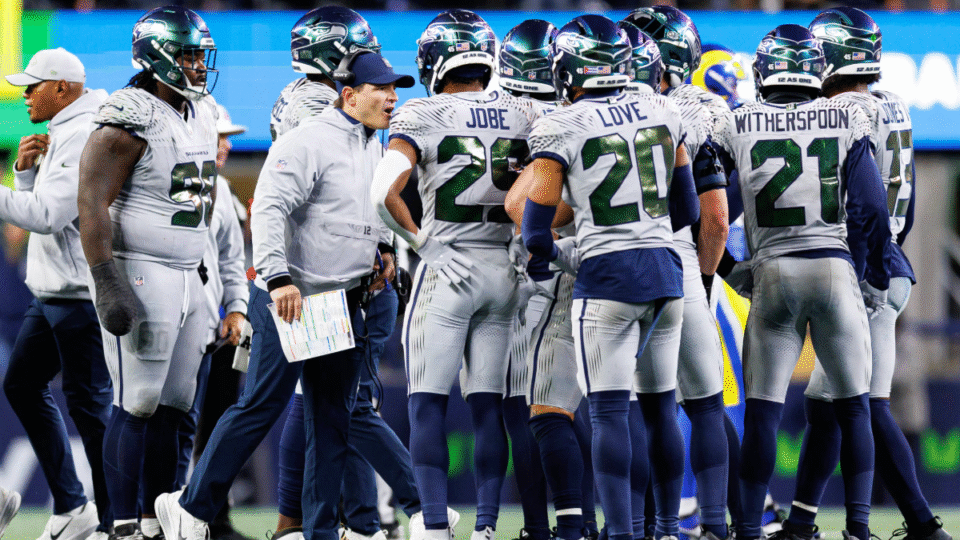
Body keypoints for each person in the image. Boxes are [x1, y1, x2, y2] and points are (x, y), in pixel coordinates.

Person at [155, 51, 414, 540]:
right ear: (350, 95)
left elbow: (359, 209)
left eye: (396, 89)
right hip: (292, 296)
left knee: (332, 416)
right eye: (383, 89)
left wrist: (381, 250)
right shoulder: (308, 139)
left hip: (337, 298)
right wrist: (277, 279)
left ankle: (319, 531)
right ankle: (191, 509)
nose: (393, 98)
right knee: (262, 405)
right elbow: (270, 207)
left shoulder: (373, 143)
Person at [517, 13, 699, 540]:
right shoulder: (665, 107)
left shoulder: (560, 125)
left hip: (607, 281)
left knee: (608, 415)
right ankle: (664, 528)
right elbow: (686, 207)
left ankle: (620, 532)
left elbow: (534, 231)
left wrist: (566, 255)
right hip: (667, 273)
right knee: (662, 408)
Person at [775, 9, 951, 540]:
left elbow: (861, 200)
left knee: (865, 404)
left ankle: (921, 524)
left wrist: (864, 264)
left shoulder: (837, 111)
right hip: (891, 257)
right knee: (827, 404)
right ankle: (803, 521)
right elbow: (907, 194)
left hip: (865, 266)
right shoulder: (893, 103)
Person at [709, 24, 889, 540]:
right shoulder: (845, 116)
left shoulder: (737, 121)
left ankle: (748, 528)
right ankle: (857, 527)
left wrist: (724, 271)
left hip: (771, 274)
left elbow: (704, 209)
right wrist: (870, 273)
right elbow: (872, 208)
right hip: (833, 266)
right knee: (854, 406)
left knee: (763, 411)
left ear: (764, 71)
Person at [267, 8, 439, 540]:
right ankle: (390, 513)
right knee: (338, 402)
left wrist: (385, 244)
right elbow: (315, 196)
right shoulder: (323, 108)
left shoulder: (319, 103)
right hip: (323, 277)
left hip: (339, 268)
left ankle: (324, 521)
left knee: (324, 401)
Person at [371, 9, 541, 540]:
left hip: (448, 269)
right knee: (488, 405)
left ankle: (437, 526)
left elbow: (382, 191)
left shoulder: (423, 113)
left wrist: (420, 242)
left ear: (434, 61)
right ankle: (488, 526)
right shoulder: (524, 113)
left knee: (427, 405)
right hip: (505, 269)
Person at [77, 6, 219, 539]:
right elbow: (91, 201)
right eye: (186, 54)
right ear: (157, 54)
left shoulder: (199, 111)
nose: (197, 65)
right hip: (143, 271)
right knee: (135, 400)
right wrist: (105, 277)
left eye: (199, 54)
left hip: (189, 272)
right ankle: (120, 524)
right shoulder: (129, 114)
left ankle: (162, 518)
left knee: (176, 404)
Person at [1, 47, 111, 540]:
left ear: (62, 89)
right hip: (54, 293)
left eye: (34, 86)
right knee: (23, 386)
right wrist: (23, 176)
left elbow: (49, 216)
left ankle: (116, 518)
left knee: (91, 411)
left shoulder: (85, 133)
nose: (25, 95)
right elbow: (44, 211)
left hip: (79, 295)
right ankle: (73, 505)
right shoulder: (66, 130)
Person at [175, 103, 251, 540]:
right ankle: (148, 514)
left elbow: (233, 264)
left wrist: (236, 311)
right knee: (170, 421)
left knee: (217, 423)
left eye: (227, 137)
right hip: (183, 321)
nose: (226, 145)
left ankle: (213, 515)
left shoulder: (226, 196)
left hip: (224, 328)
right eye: (219, 136)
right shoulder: (181, 186)